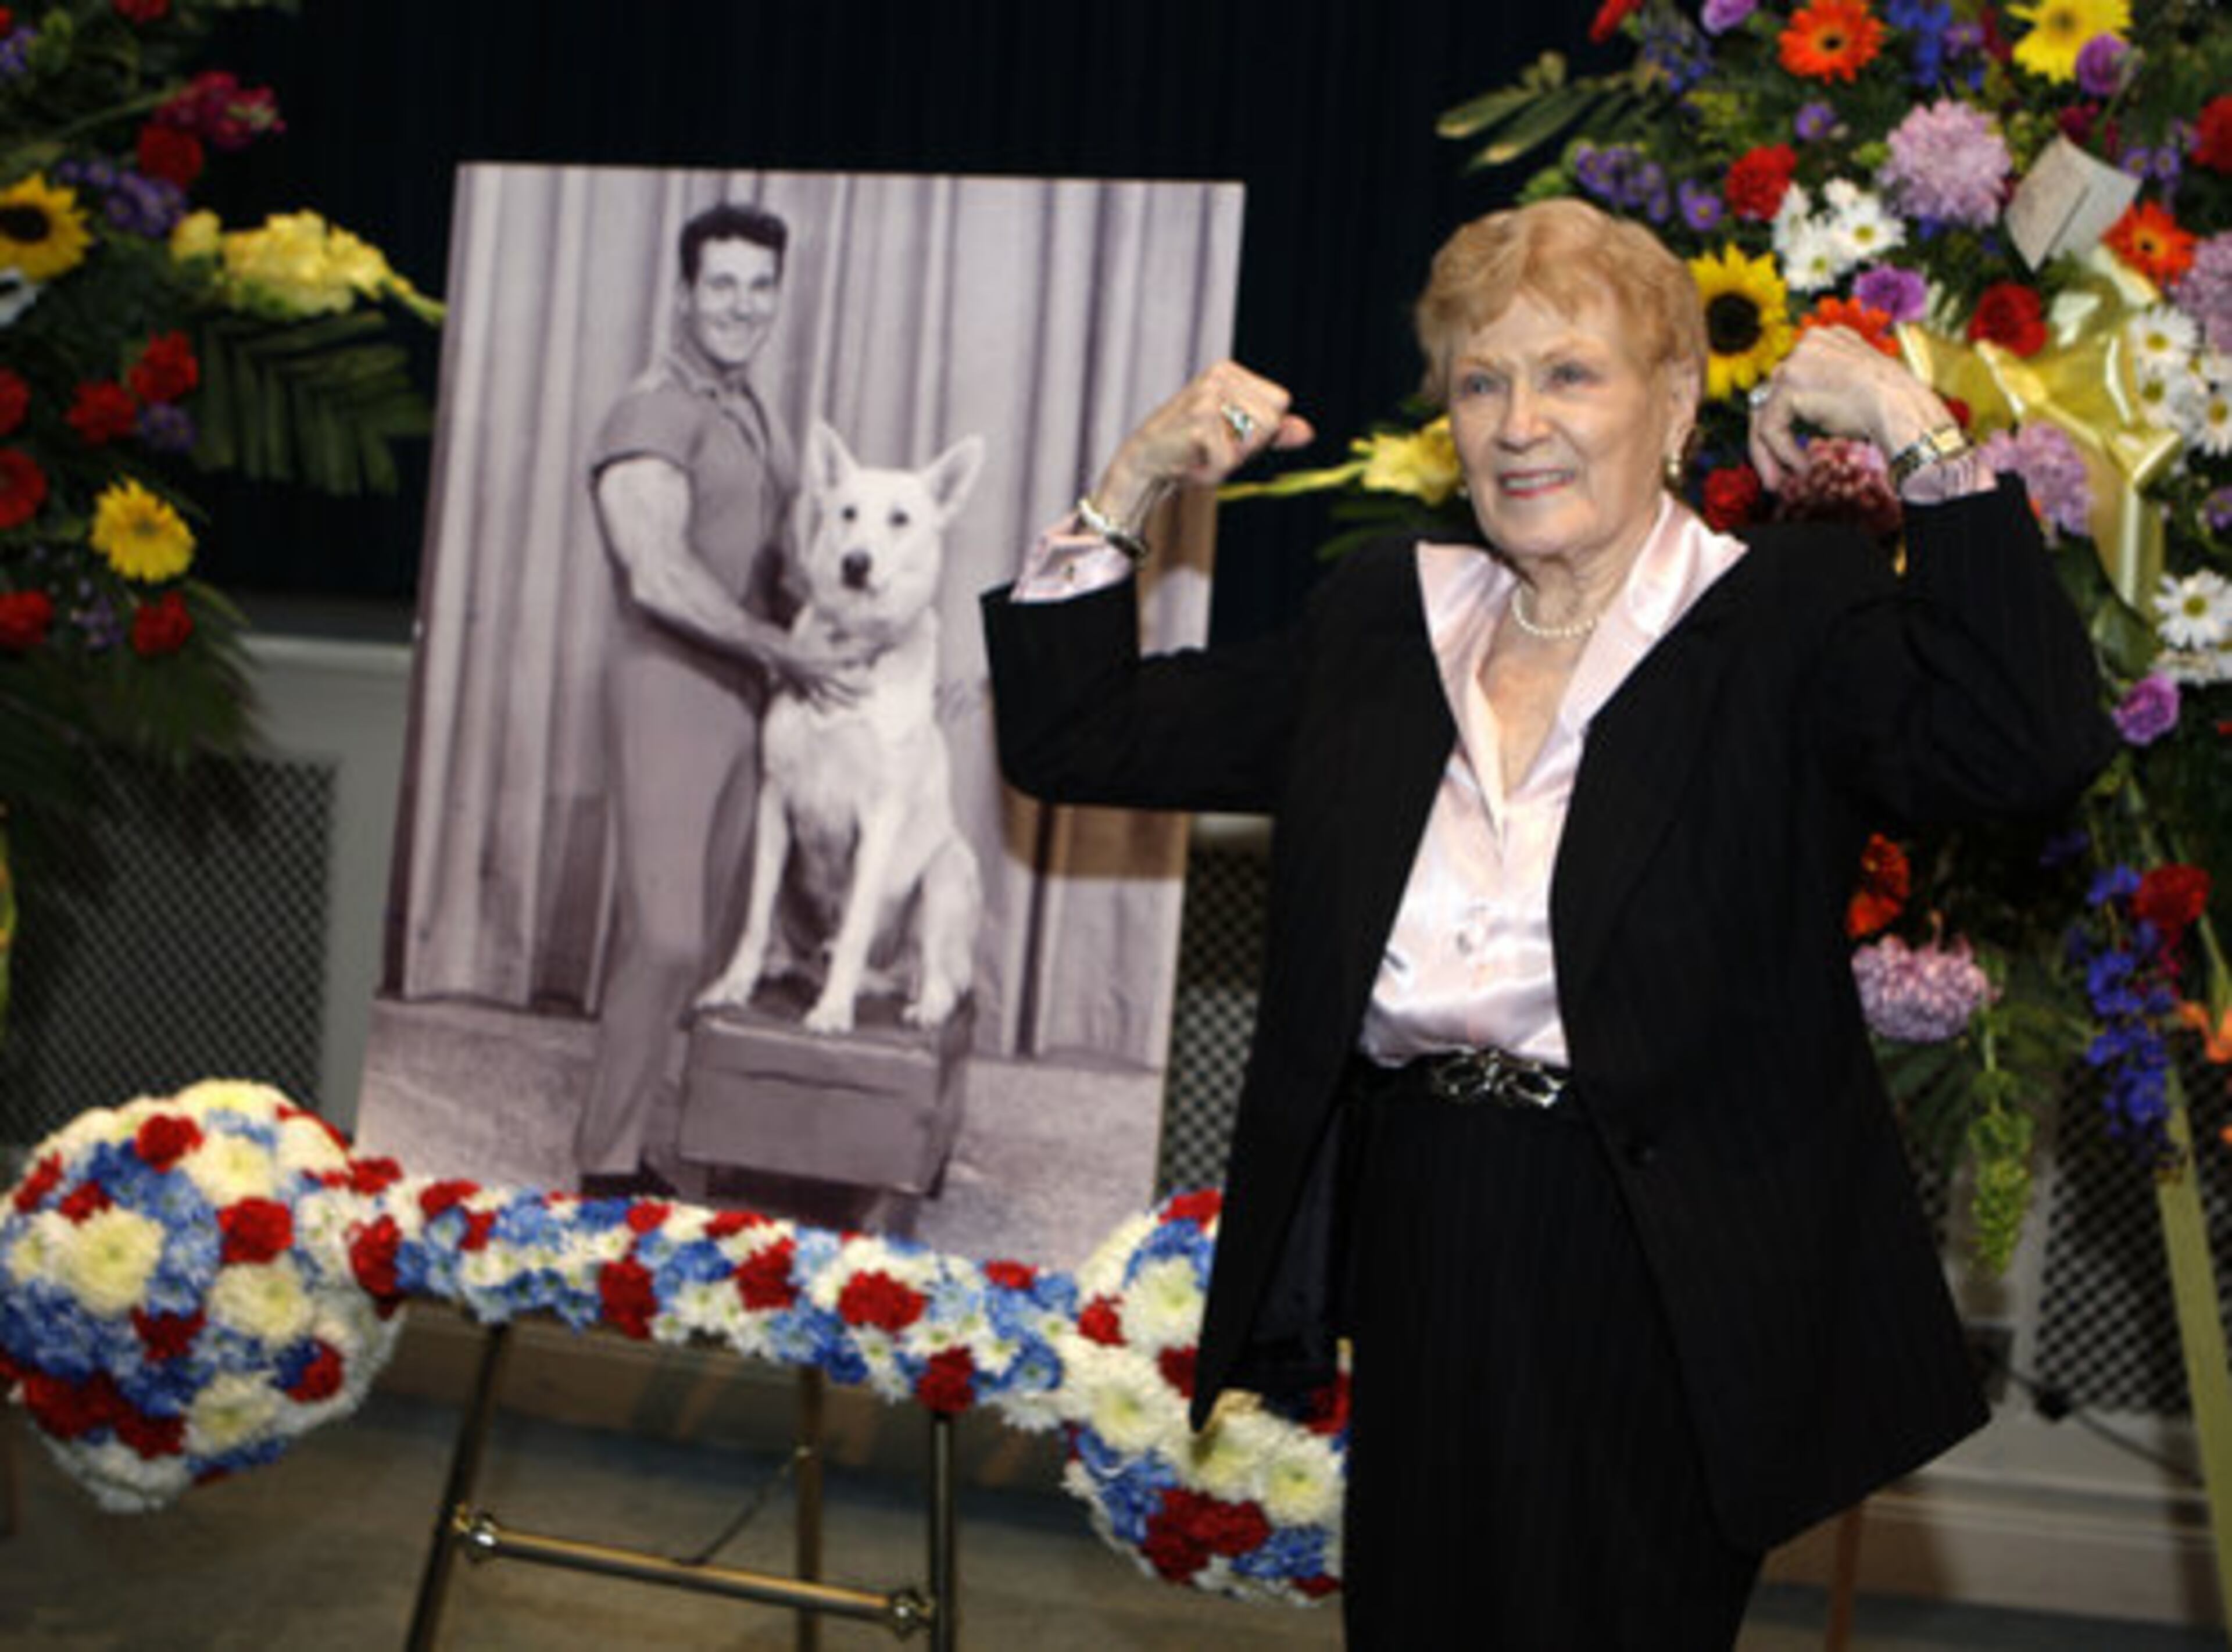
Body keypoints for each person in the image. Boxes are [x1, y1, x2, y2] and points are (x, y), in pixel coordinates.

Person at [981, 198, 2116, 1647]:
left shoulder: (1779, 618)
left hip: (1659, 1247)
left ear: (1677, 400)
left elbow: (2028, 743)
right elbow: (1079, 738)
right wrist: (1129, 484)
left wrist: (1909, 422)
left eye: (1570, 373)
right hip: (1428, 1218)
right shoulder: (1389, 621)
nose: (1521, 422)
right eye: (1481, 380)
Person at [575, 201, 859, 1197]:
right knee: (668, 935)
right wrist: (783, 648)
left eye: (760, 286)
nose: (742, 304)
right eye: (722, 284)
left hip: (744, 693)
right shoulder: (653, 409)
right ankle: (605, 1171)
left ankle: (643, 1144)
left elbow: (774, 566)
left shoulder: (754, 411)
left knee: (713, 934)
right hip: (669, 685)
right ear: (687, 293)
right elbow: (656, 571)